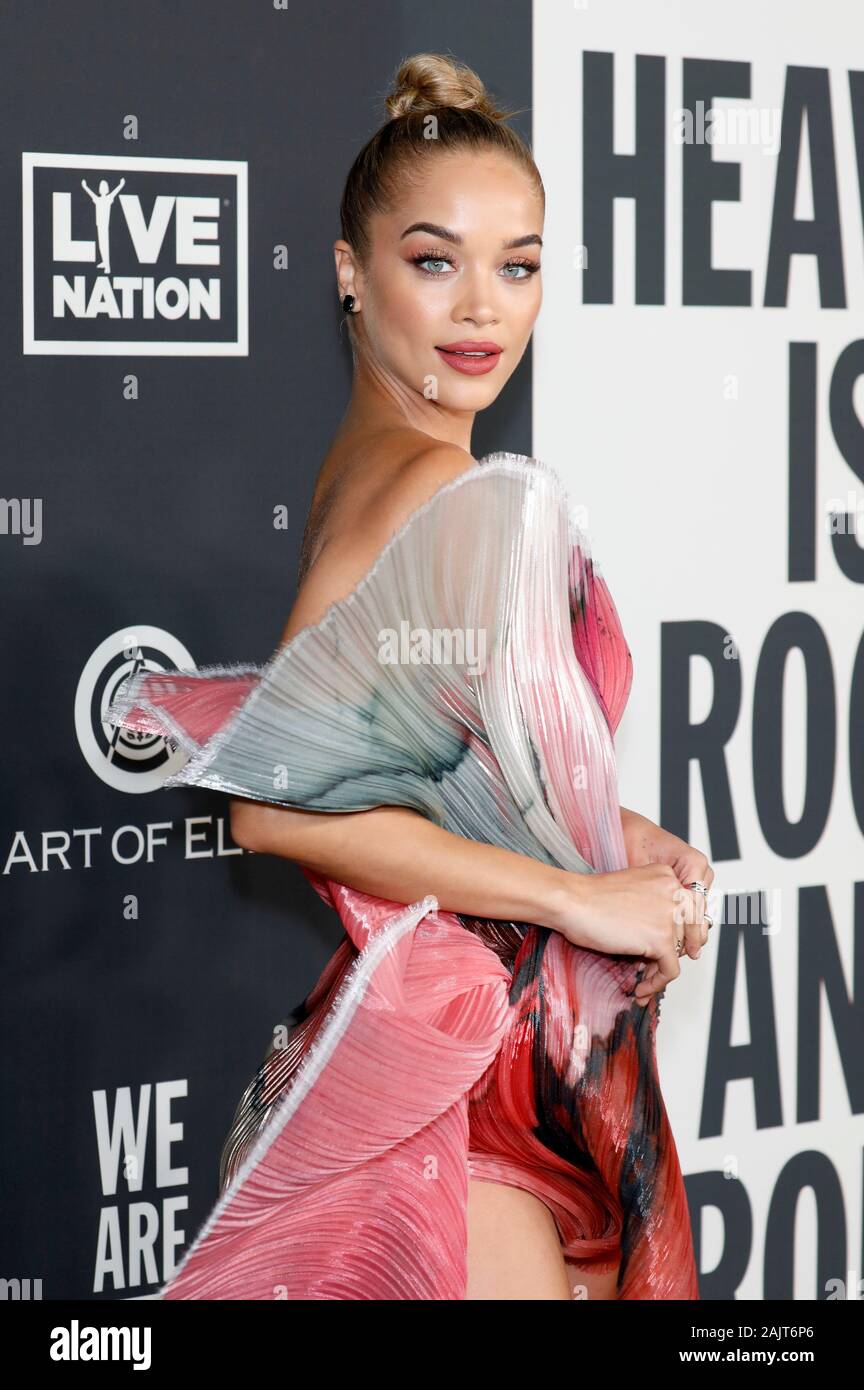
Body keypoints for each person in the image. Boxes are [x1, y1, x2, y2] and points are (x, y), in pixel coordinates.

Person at [106, 52, 713, 1301]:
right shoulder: (430, 486)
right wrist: (575, 898)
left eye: (519, 264)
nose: (482, 308)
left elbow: (421, 762)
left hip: (500, 1067)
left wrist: (617, 840)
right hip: (459, 1097)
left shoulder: (399, 462)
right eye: (434, 260)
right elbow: (276, 805)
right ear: (349, 270)